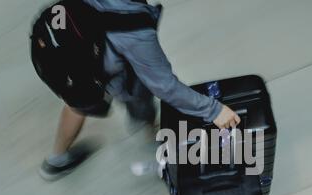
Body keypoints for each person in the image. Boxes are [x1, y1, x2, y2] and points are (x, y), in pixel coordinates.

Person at [39, 0, 240, 181]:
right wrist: (214, 111)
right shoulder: (134, 31)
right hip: (106, 69)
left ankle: (56, 160)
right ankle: (150, 132)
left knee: (78, 100)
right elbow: (165, 87)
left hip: (70, 56)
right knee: (138, 95)